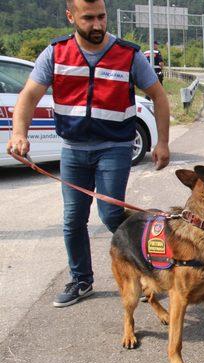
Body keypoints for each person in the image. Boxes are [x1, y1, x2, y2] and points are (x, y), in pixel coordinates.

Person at [5, 0, 171, 308]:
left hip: (115, 148)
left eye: (101, 17)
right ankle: (81, 280)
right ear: (70, 16)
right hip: (72, 149)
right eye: (88, 18)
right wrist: (19, 133)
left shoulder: (129, 55)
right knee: (73, 220)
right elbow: (28, 95)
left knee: (111, 215)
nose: (97, 24)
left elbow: (158, 96)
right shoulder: (55, 53)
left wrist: (162, 142)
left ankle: (149, 269)